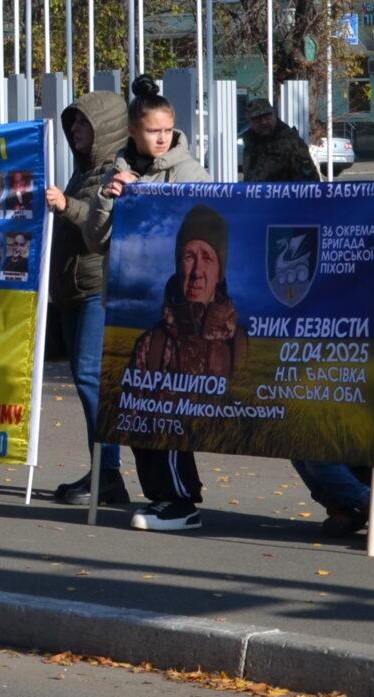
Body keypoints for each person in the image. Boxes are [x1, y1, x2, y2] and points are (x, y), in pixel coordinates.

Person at [114, 197, 236, 533]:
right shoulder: (152, 343)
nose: (197, 271)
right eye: (188, 256)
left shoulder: (240, 343)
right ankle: (169, 497)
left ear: (220, 270)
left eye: (207, 258)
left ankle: (353, 496)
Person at [45, 89, 131, 507]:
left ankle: (108, 473)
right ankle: (103, 470)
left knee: (92, 378)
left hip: (98, 291)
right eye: (73, 124)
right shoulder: (84, 171)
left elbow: (101, 222)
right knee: (87, 381)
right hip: (72, 291)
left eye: (83, 124)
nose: (75, 131)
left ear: (105, 128)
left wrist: (66, 207)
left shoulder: (117, 171)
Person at [240, 97, 320, 184]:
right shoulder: (250, 144)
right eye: (258, 120)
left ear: (274, 116)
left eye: (267, 117)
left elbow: (309, 183)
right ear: (250, 122)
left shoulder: (291, 142)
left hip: (284, 196)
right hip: (256, 196)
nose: (263, 122)